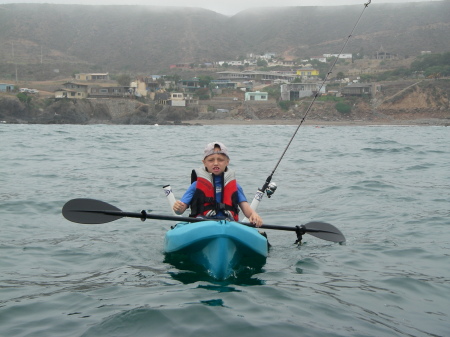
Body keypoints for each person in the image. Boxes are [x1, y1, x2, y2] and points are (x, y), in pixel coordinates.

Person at [173, 141, 263, 227]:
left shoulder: (235, 186)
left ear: (227, 162)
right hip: (201, 223)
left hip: (228, 223)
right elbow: (180, 211)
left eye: (220, 160)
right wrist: (178, 208)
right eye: (211, 160)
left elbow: (247, 210)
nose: (216, 163)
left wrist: (253, 214)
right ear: (204, 162)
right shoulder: (196, 185)